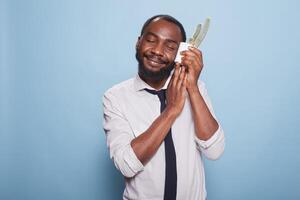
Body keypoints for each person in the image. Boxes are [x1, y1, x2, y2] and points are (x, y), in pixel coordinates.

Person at [103, 14, 225, 200]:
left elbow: (214, 151)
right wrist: (171, 110)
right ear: (138, 43)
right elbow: (127, 165)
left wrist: (192, 87)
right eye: (151, 40)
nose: (158, 51)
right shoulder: (115, 97)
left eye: (170, 47)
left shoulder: (196, 89)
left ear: (180, 54)